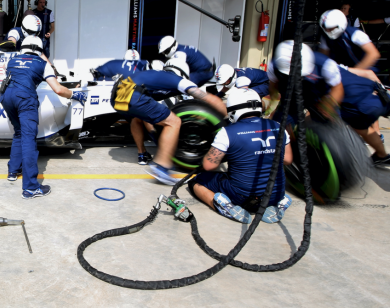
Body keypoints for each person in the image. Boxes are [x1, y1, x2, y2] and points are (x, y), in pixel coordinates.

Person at [110, 57, 227, 184]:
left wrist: (157, 136)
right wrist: (225, 120)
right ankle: (162, 167)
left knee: (138, 117)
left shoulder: (159, 76)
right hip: (133, 94)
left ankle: (142, 154)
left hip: (118, 95)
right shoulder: (176, 79)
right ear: (182, 73)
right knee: (174, 122)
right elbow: (210, 99)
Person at [0, 36, 87, 198]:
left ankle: (13, 171)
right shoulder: (43, 64)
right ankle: (31, 187)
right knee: (28, 139)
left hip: (6, 97)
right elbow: (59, 90)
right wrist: (74, 94)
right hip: (25, 99)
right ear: (39, 51)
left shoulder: (12, 61)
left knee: (18, 132)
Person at [189, 88, 293, 224]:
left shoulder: (227, 132)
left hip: (242, 197)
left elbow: (209, 165)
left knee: (196, 182)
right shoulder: (278, 126)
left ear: (233, 110)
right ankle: (278, 203)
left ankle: (223, 206)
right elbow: (287, 159)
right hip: (275, 194)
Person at [92, 49, 154, 165]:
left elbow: (96, 74)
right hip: (138, 99)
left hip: (122, 100)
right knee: (144, 117)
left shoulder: (118, 65)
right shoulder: (145, 64)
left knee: (136, 119)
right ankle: (160, 148)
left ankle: (142, 154)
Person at [268, 41, 344, 128]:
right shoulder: (274, 66)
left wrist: (329, 105)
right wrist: (272, 106)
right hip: (292, 97)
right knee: (278, 129)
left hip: (321, 97)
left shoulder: (326, 65)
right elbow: (273, 88)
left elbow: (338, 87)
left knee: (331, 130)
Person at [337, 66, 390, 165]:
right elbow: (369, 73)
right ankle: (382, 156)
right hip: (379, 98)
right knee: (360, 126)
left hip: (359, 104)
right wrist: (382, 92)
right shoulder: (335, 66)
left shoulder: (315, 70)